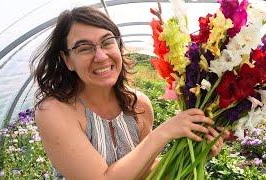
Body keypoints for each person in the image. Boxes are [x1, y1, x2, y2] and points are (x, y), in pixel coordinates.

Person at [31, 6, 227, 180]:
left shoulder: (139, 104)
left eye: (107, 42)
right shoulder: (54, 111)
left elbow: (143, 171)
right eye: (84, 48)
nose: (100, 56)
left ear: (118, 46)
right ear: (67, 60)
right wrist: (163, 133)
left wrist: (191, 150)